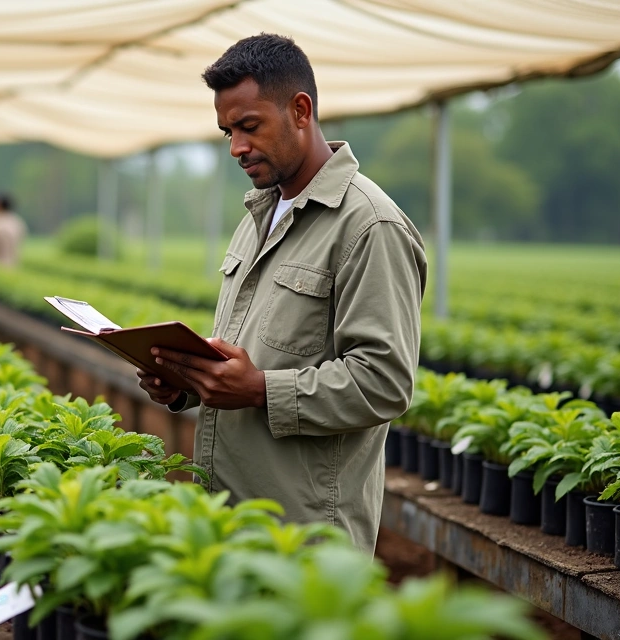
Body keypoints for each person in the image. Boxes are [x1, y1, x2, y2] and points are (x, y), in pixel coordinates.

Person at [137, 34, 427, 554]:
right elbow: (253, 350)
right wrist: (185, 380)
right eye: (227, 131)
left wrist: (260, 389)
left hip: (305, 539)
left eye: (249, 126)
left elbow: (385, 382)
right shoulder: (258, 217)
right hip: (228, 518)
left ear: (300, 110)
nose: (236, 148)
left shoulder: (369, 225)